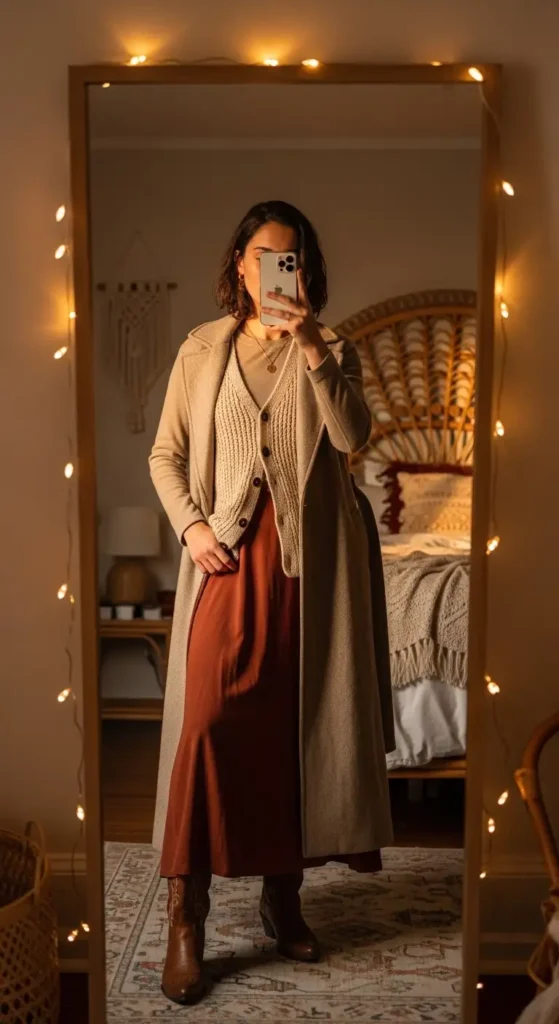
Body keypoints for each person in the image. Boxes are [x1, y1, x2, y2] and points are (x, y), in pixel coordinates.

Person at [149, 200, 395, 1005]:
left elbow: (354, 436)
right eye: (261, 255)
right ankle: (186, 912)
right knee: (209, 725)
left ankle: (280, 896)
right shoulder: (202, 349)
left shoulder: (336, 351)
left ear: (304, 269)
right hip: (224, 560)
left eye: (287, 258)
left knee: (296, 734)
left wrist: (318, 347)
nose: (272, 271)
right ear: (240, 262)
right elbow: (166, 455)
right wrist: (189, 528)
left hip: (308, 570)